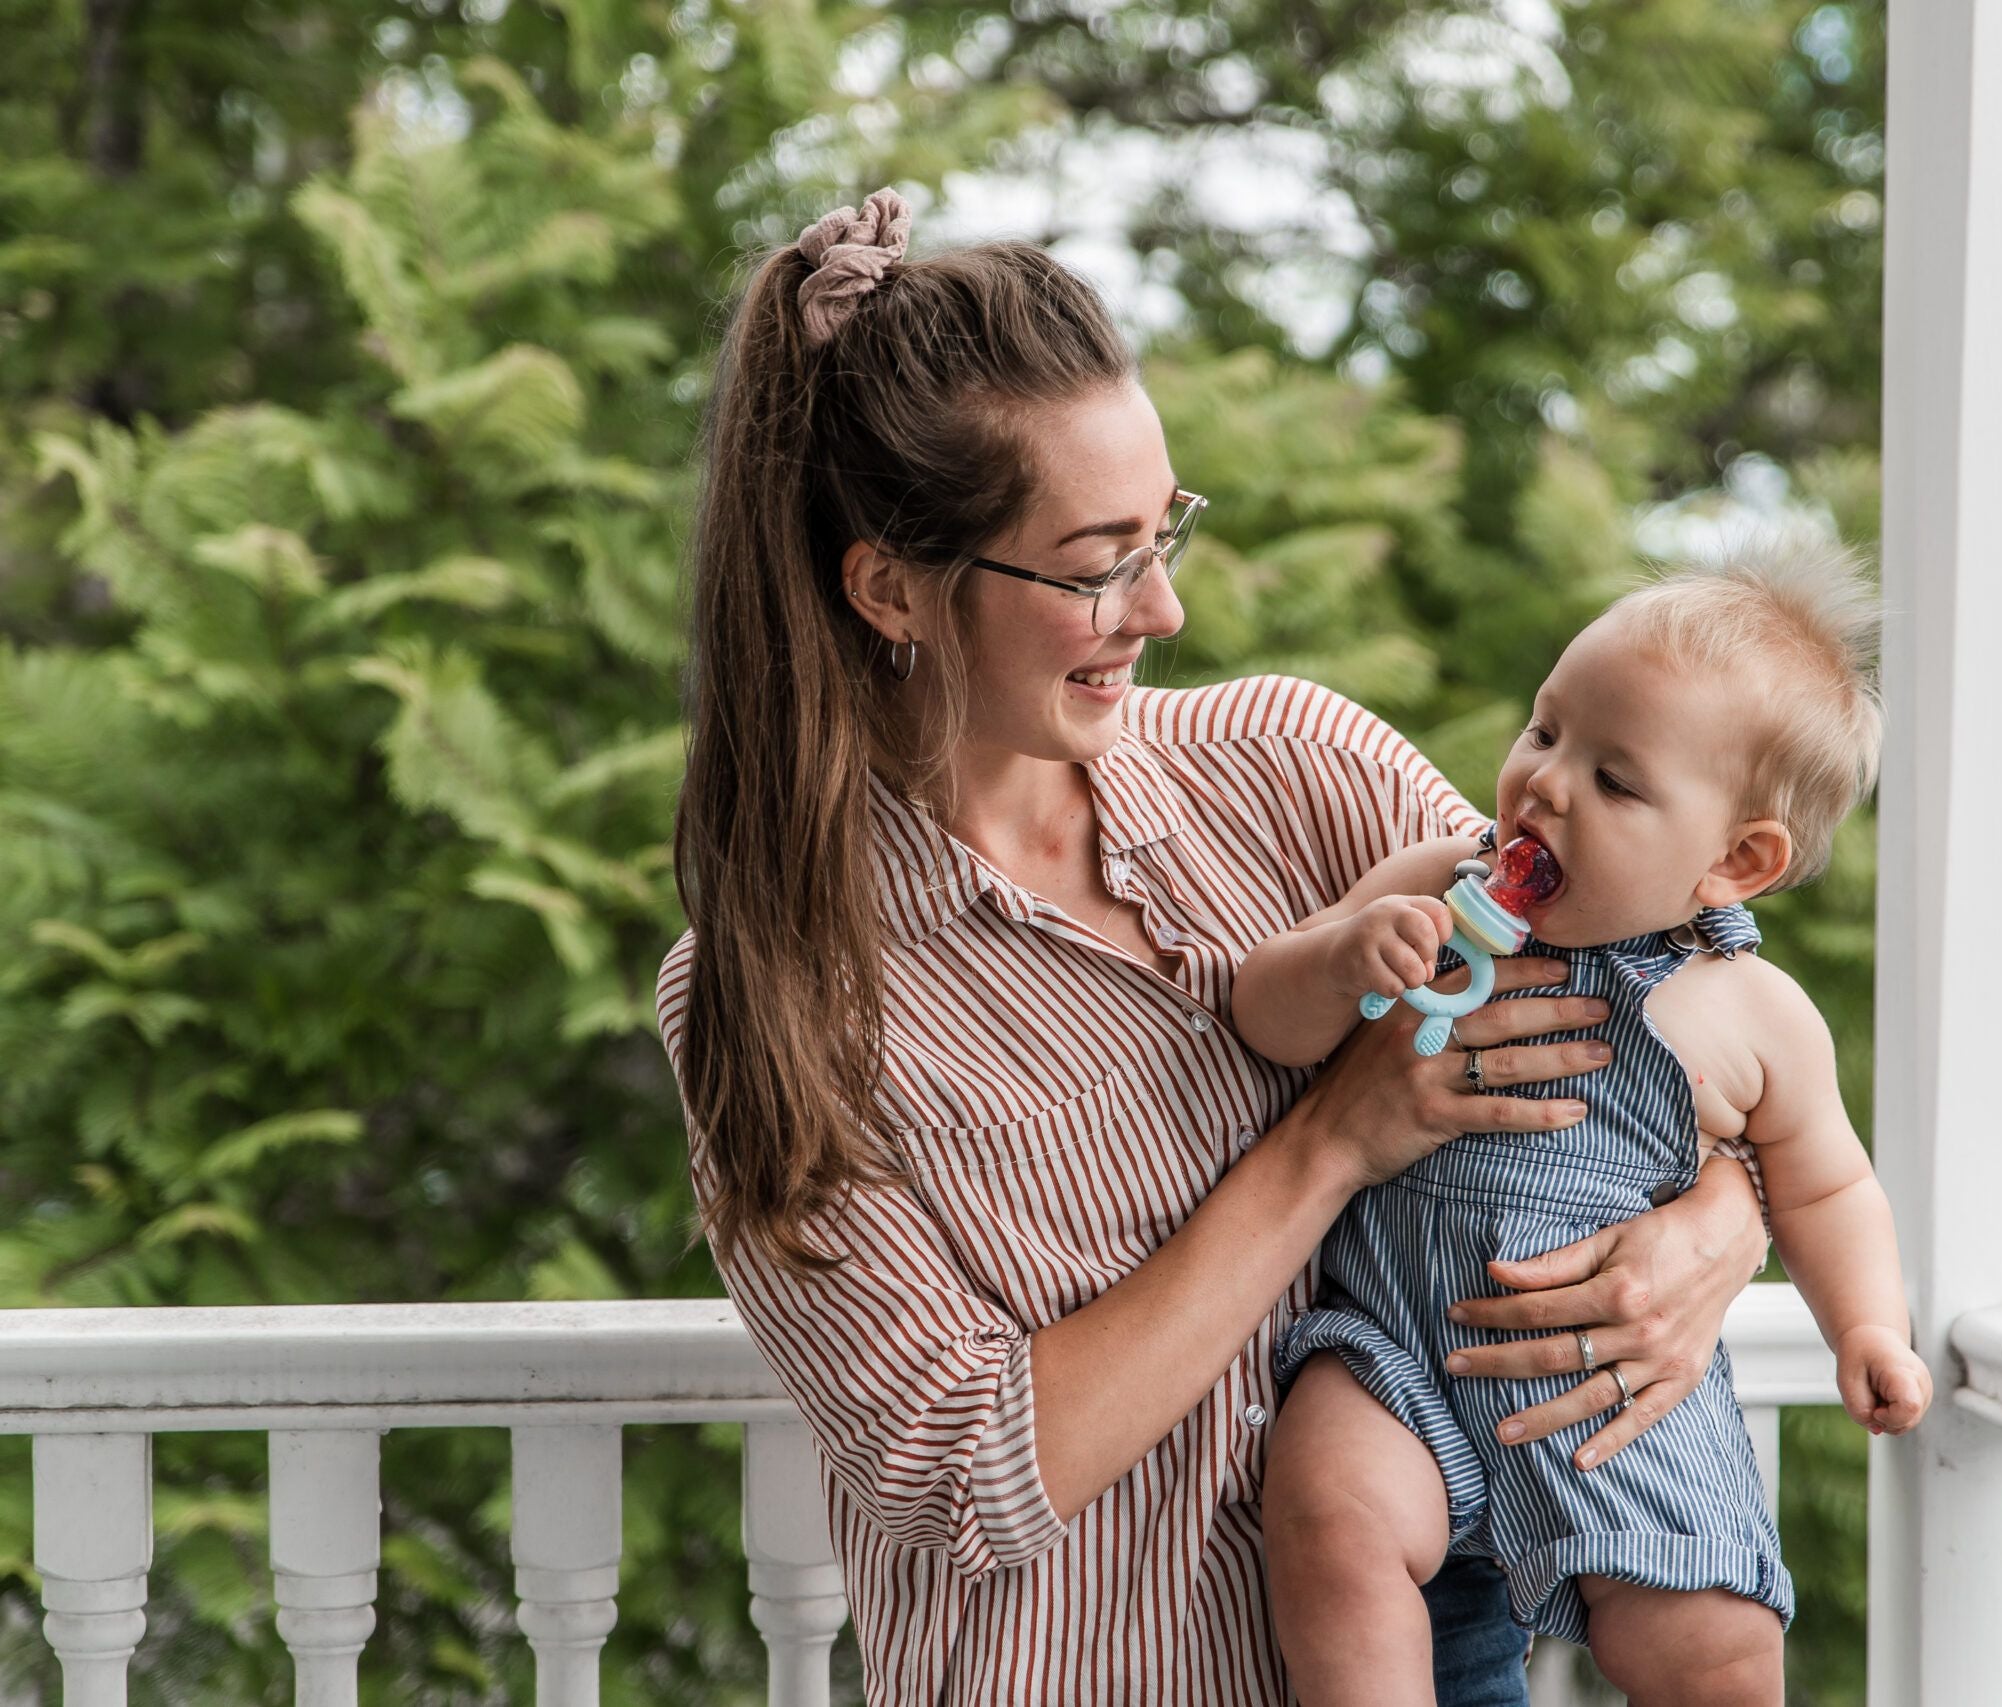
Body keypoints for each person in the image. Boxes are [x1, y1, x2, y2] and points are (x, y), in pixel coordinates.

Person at [655, 187, 1772, 1706]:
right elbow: (958, 1468)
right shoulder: (771, 991)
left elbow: (1657, 1001)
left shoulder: (1301, 765)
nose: (1164, 607)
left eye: (1162, 531)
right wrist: (1329, 1141)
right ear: (891, 588)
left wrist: (1722, 1224)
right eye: (1094, 564)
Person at [1238, 544, 1933, 1707]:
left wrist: (1866, 1328)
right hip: (1395, 1352)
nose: (1544, 786)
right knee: (1327, 1524)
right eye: (1544, 730)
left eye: (1614, 781)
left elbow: (1825, 1187)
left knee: (1713, 1642)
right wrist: (1339, 960)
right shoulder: (1434, 883)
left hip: (1613, 1395)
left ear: (1735, 860)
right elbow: (1263, 1019)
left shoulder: (1750, 1014)